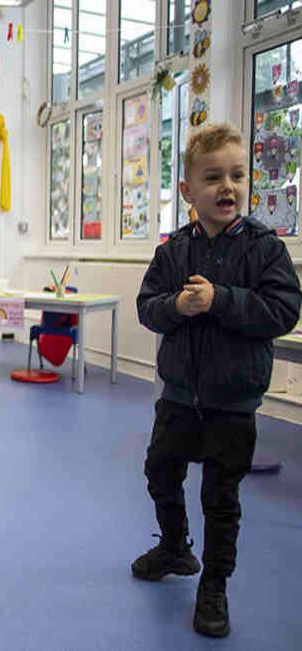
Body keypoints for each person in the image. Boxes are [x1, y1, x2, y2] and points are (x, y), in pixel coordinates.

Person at [134, 122, 301, 638]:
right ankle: (176, 547)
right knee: (161, 471)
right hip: (180, 396)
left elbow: (284, 309)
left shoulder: (264, 248)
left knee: (221, 498)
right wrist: (179, 306)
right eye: (212, 178)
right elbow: (148, 307)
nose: (227, 187)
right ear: (188, 191)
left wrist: (221, 300)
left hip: (233, 403)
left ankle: (215, 587)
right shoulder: (173, 251)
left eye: (236, 175)